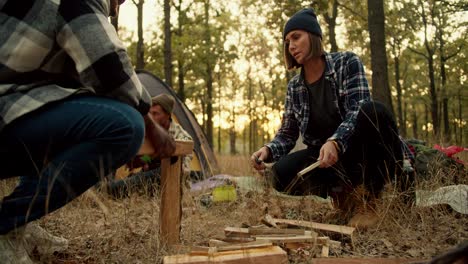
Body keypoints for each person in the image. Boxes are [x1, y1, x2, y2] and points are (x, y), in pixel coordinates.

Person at [0, 0, 175, 263]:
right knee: (124, 125)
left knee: (64, 111)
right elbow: (110, 69)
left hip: (13, 111)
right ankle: (7, 223)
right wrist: (149, 122)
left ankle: (22, 223)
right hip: (6, 113)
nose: (117, 6)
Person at [250, 8, 413, 229]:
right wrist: (268, 150)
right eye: (287, 41)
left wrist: (335, 141)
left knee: (373, 111)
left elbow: (358, 109)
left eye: (296, 37)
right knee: (279, 174)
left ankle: (370, 198)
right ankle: (343, 194)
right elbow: (288, 133)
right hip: (327, 160)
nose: (291, 46)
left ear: (314, 36)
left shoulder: (347, 63)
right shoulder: (294, 87)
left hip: (362, 152)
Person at [105, 94, 193, 198]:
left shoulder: (182, 138)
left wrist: (155, 160)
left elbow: (183, 171)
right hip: (148, 185)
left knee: (163, 172)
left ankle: (114, 189)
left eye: (155, 114)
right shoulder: (149, 132)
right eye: (149, 114)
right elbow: (147, 159)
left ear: (168, 115)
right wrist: (145, 159)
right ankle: (109, 188)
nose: (151, 118)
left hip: (173, 187)